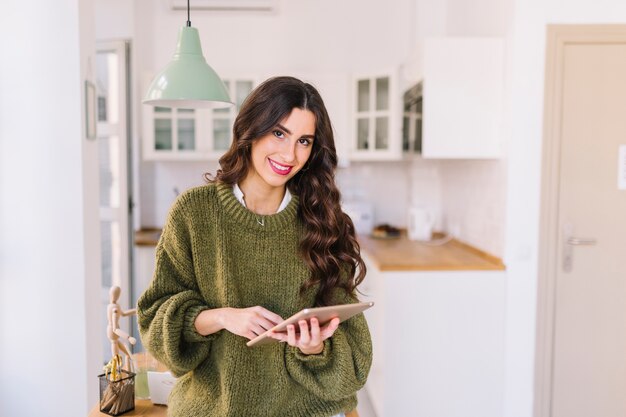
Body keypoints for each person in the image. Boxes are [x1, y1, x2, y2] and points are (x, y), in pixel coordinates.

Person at [137, 76, 372, 417]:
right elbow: (155, 324)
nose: (289, 154)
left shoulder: (324, 224)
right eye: (279, 133)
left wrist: (315, 346)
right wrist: (221, 317)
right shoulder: (193, 212)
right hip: (214, 408)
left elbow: (354, 364)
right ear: (250, 129)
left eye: (304, 141)